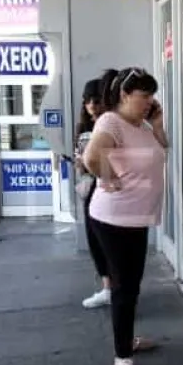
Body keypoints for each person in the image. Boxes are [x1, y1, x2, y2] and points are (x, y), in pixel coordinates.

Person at [83, 67, 168, 365]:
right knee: (124, 289)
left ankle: (127, 338)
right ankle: (122, 357)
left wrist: (157, 126)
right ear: (124, 94)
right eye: (144, 96)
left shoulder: (142, 125)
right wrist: (109, 178)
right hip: (114, 220)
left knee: (131, 286)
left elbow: (163, 150)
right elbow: (92, 157)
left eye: (151, 96)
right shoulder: (110, 121)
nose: (149, 102)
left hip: (136, 218)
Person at [74, 78, 112, 309]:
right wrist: (81, 163)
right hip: (91, 186)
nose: (92, 106)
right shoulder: (84, 129)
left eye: (96, 101)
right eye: (88, 101)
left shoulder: (110, 125)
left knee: (110, 241)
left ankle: (115, 289)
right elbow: (81, 164)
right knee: (94, 238)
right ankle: (107, 288)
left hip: (109, 186)